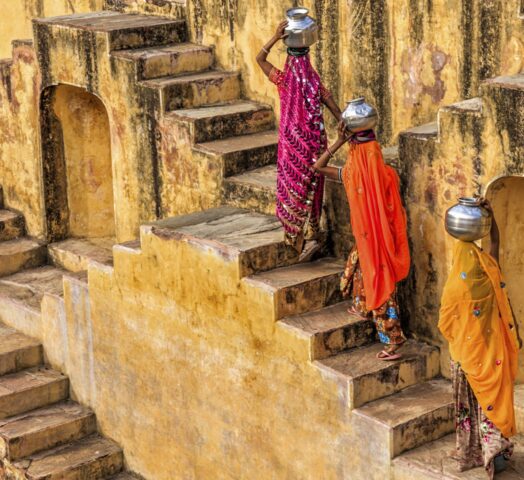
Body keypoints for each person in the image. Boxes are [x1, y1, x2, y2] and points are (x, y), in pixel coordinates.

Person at [313, 122, 410, 360]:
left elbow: (317, 166)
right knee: (361, 268)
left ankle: (393, 342)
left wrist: (338, 142)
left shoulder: (350, 174)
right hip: (383, 242)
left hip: (371, 242)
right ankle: (362, 305)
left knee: (379, 283)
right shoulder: (388, 176)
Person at [439, 199, 522, 478]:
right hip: (493, 351)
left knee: (471, 406)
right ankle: (496, 455)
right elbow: (494, 245)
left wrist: (461, 342)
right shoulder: (489, 267)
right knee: (493, 402)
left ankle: (473, 452)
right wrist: (492, 216)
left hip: (466, 357)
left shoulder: (455, 286)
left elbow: (446, 324)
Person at [256, 21, 342, 261]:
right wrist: (347, 125)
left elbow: (259, 60)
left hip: (293, 147)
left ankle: (298, 236)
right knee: (313, 190)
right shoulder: (314, 83)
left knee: (295, 189)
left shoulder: (284, 80)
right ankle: (312, 233)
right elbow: (335, 108)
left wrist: (274, 38)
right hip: (314, 146)